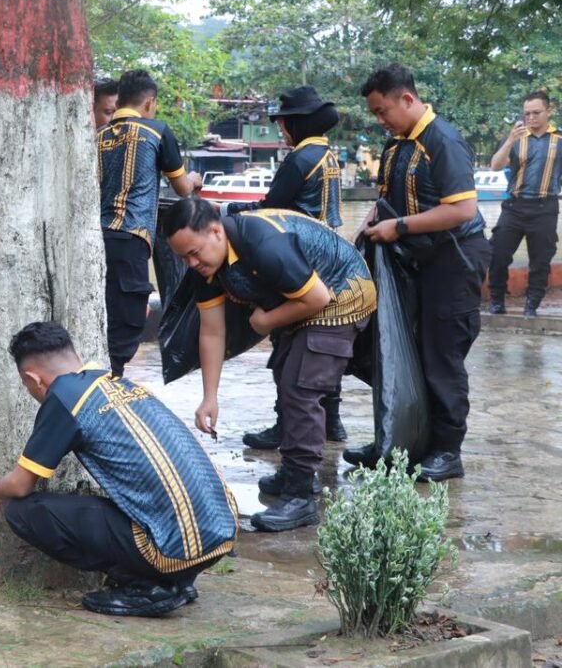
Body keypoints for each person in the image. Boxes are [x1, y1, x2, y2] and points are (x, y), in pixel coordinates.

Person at [0, 321, 237, 618]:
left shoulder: (63, 398)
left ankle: (145, 585)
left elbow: (21, 485)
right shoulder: (118, 382)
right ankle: (177, 580)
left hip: (172, 548)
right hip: (221, 532)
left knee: (23, 512)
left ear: (33, 379)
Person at [162, 199, 376, 532]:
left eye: (194, 252)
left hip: (342, 290)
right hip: (303, 299)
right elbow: (212, 331)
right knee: (285, 372)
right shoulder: (207, 266)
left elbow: (318, 298)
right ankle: (295, 472)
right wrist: (209, 397)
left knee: (300, 386)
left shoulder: (263, 243)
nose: (191, 263)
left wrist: (266, 320)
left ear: (216, 231)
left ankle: (301, 496)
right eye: (183, 257)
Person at [346, 64, 492, 482]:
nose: (379, 120)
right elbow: (387, 201)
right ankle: (400, 441)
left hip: (453, 259)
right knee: (400, 350)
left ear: (407, 99)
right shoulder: (397, 144)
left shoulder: (442, 140)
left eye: (382, 110)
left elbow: (462, 209)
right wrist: (372, 228)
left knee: (441, 356)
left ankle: (447, 451)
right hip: (413, 261)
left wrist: (401, 227)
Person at [218, 86, 350, 451]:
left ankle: (285, 423)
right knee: (325, 339)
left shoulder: (299, 159)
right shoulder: (328, 154)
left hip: (297, 256)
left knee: (288, 341)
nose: (281, 131)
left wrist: (231, 212)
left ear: (296, 123)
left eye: (283, 123)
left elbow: (272, 207)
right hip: (331, 255)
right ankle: (332, 420)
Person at [98, 69, 200, 377]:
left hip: (97, 237)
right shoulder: (156, 131)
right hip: (132, 236)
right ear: (149, 103)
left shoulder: (99, 136)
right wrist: (193, 179)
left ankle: (101, 377)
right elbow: (182, 189)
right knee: (128, 317)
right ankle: (111, 381)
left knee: (104, 307)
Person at [487, 91, 561, 318]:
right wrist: (510, 140)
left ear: (549, 111)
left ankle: (532, 305)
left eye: (536, 113)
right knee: (497, 255)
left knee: (540, 261)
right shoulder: (516, 137)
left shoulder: (559, 139)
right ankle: (497, 301)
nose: (531, 117)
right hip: (514, 207)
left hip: (545, 207)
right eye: (527, 113)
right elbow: (495, 166)